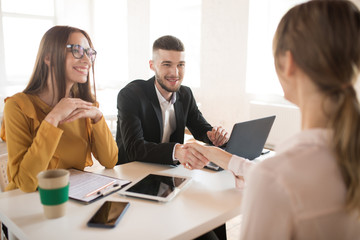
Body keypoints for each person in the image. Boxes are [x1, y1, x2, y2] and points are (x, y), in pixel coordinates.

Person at [186, 0, 360, 239]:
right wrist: (221, 157)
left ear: (289, 63)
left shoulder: (276, 180)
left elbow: (275, 179)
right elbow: (271, 175)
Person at [0, 26, 118, 193]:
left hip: (72, 197)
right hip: (26, 205)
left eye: (89, 53)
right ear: (48, 57)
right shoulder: (17, 106)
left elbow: (110, 160)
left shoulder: (85, 106)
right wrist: (53, 118)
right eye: (77, 50)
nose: (87, 60)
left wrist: (98, 117)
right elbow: (26, 184)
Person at [116, 35, 229, 169]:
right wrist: (176, 151)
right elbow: (134, 148)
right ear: (152, 66)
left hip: (169, 173)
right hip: (132, 172)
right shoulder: (131, 95)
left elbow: (201, 128)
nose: (175, 73)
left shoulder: (185, 94)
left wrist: (214, 136)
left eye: (180, 65)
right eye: (167, 64)